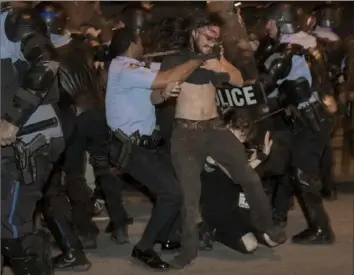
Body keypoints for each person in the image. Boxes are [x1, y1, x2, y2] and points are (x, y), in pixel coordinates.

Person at [160, 12, 286, 269]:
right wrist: (164, 92)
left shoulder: (216, 56)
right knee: (190, 196)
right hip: (186, 133)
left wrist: (223, 67)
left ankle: (267, 226)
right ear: (195, 31)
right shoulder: (176, 58)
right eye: (208, 36)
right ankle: (188, 250)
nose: (213, 41)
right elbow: (154, 96)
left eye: (217, 36)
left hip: (215, 128)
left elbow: (239, 81)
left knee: (249, 177)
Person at [105, 25, 218, 270]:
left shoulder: (132, 68)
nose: (144, 46)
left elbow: (165, 71)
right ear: (132, 43)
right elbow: (168, 76)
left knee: (178, 185)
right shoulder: (124, 67)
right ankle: (143, 248)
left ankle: (169, 236)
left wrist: (186, 56)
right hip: (131, 148)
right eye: (140, 41)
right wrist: (198, 58)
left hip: (145, 145)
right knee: (171, 194)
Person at [35, 1, 104, 271]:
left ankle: (74, 241)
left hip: (64, 120)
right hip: (88, 114)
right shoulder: (78, 44)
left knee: (53, 186)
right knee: (75, 176)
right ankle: (83, 232)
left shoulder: (41, 49)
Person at [258, 3, 335, 245]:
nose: (266, 27)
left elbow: (264, 86)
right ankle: (278, 214)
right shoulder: (309, 42)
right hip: (317, 115)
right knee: (290, 164)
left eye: (269, 22)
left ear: (278, 21)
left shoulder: (287, 51)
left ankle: (322, 230)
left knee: (302, 173)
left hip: (312, 118)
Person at [1, 3, 64, 274]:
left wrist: (13, 119)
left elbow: (46, 61)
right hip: (10, 144)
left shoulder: (14, 21)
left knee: (13, 225)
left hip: (30, 138)